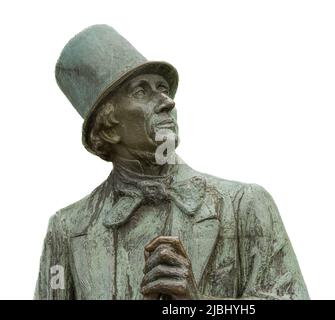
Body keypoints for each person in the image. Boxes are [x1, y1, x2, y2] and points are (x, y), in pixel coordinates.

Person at [34, 24, 309, 300]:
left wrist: (196, 304)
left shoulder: (243, 206)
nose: (167, 102)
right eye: (141, 92)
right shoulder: (67, 230)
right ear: (108, 128)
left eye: (163, 89)